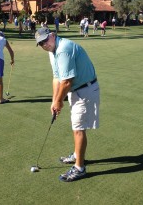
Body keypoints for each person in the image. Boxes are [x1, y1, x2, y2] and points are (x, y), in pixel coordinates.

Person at [35, 27, 100, 182]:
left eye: (45, 40)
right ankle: (78, 156)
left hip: (85, 90)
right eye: (40, 43)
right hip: (76, 90)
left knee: (78, 128)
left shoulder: (63, 49)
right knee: (76, 126)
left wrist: (59, 101)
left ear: (52, 35)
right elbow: (56, 78)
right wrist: (54, 100)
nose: (44, 45)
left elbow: (67, 81)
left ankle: (80, 168)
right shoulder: (52, 51)